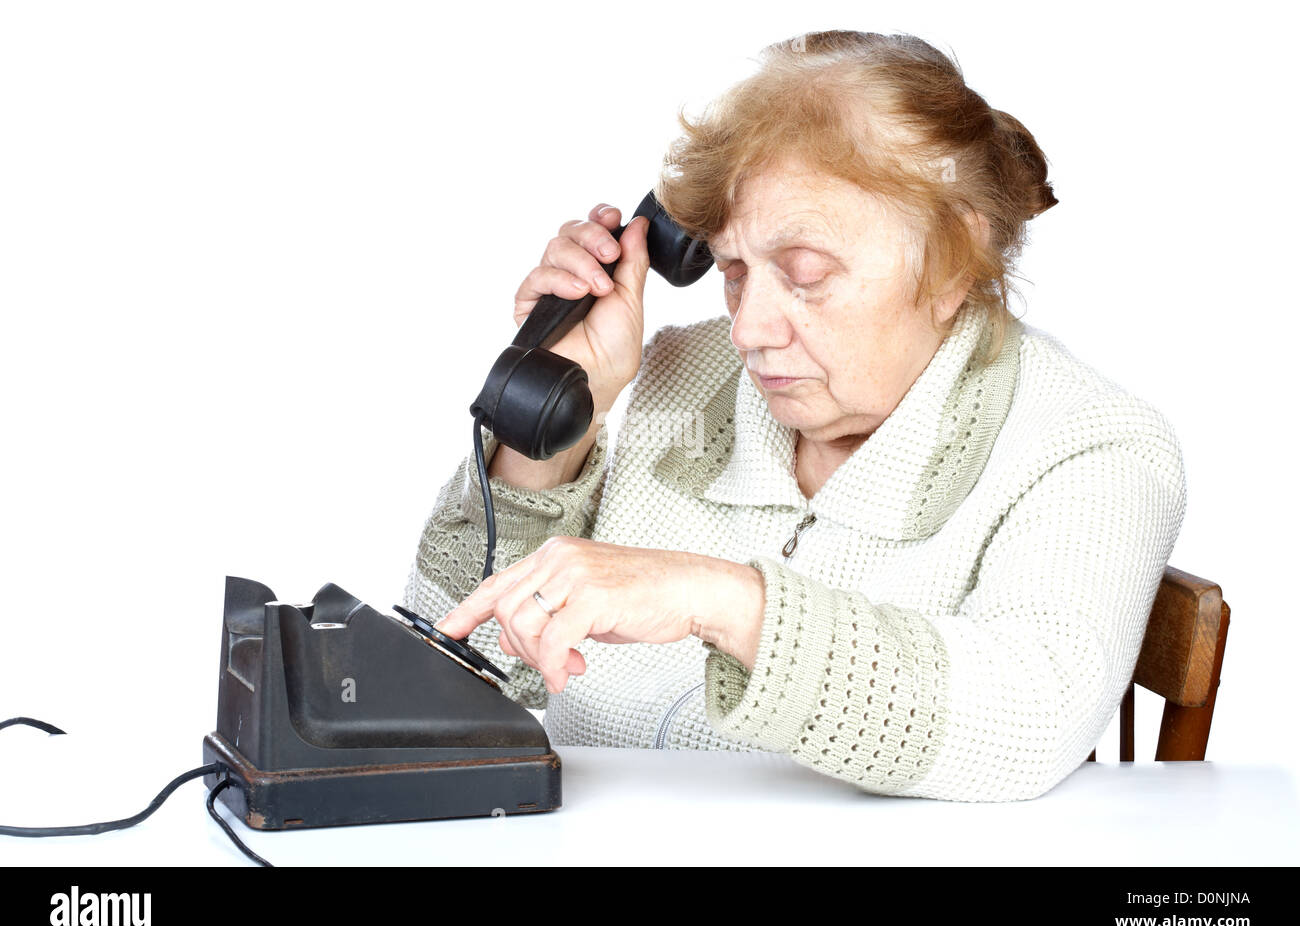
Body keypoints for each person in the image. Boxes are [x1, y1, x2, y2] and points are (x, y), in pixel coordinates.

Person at [402, 30, 1186, 801]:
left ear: (951, 260)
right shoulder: (682, 373)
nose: (748, 330)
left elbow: (1026, 719)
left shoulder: (1090, 443)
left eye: (805, 274)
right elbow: (441, 673)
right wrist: (557, 418)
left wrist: (721, 599)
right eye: (735, 271)